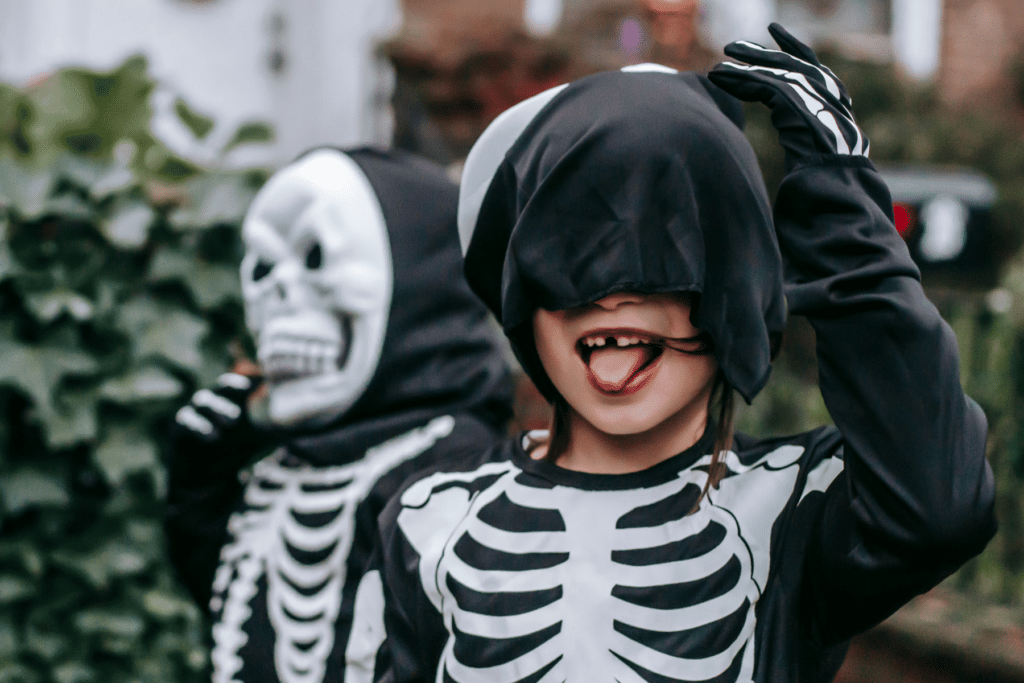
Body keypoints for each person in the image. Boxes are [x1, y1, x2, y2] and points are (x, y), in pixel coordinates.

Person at [370, 25, 996, 683]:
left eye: (669, 255)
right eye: (568, 259)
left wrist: (845, 211)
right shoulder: (430, 517)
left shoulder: (794, 510)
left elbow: (939, 507)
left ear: (735, 286)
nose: (613, 297)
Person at [164, 147, 513, 683]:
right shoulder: (292, 462)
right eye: (262, 267)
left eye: (314, 260)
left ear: (415, 285)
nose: (278, 292)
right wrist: (201, 479)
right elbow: (229, 608)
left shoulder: (455, 469)